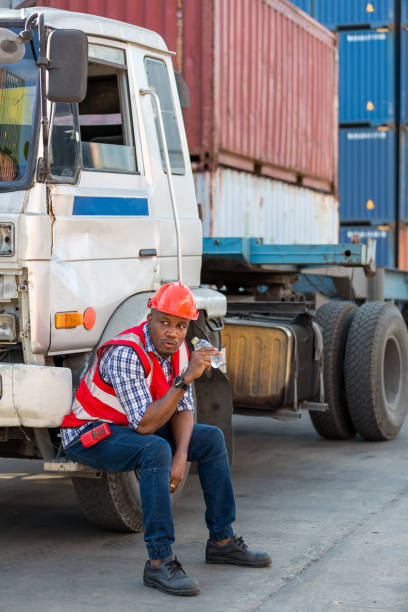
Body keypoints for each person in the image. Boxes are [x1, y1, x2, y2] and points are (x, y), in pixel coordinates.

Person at [61, 282, 271, 597]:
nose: (172, 332)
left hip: (128, 426)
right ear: (150, 316)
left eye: (180, 326)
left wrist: (181, 456)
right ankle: (160, 561)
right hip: (90, 433)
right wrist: (185, 379)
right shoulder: (125, 352)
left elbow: (183, 410)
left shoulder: (180, 349)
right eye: (165, 323)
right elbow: (146, 425)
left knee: (211, 439)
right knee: (155, 448)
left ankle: (222, 541)